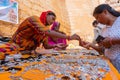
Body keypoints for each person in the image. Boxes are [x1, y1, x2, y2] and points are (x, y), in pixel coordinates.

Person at [0, 10, 81, 59]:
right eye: (52, 18)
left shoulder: (44, 31)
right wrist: (69, 37)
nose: (53, 22)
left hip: (26, 53)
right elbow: (47, 32)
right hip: (15, 46)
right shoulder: (34, 19)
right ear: (47, 15)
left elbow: (46, 46)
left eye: (54, 20)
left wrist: (56, 46)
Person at [82, 4, 120, 72]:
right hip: (111, 64)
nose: (98, 21)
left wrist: (112, 41)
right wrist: (90, 45)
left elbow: (111, 42)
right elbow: (103, 50)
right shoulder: (103, 30)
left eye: (98, 17)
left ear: (105, 12)